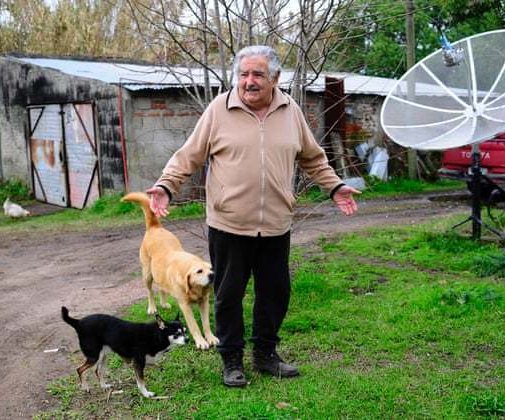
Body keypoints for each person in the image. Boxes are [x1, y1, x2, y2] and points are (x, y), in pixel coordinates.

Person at [146, 45, 360, 387]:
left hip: (276, 224)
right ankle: (231, 359)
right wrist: (165, 186)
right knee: (228, 294)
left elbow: (313, 158)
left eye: (258, 74)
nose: (249, 82)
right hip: (229, 225)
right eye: (243, 74)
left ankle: (265, 355)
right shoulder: (219, 110)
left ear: (274, 78)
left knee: (275, 292)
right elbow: (188, 156)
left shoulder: (290, 111)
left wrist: (335, 187)